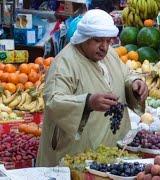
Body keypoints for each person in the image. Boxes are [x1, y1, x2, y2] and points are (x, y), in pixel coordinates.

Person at [36, 9, 148, 167]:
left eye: (108, 41)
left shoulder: (110, 55)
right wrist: (87, 102)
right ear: (84, 38)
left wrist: (135, 83)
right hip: (76, 155)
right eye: (98, 40)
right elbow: (53, 101)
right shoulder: (64, 64)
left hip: (110, 152)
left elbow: (125, 74)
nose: (104, 47)